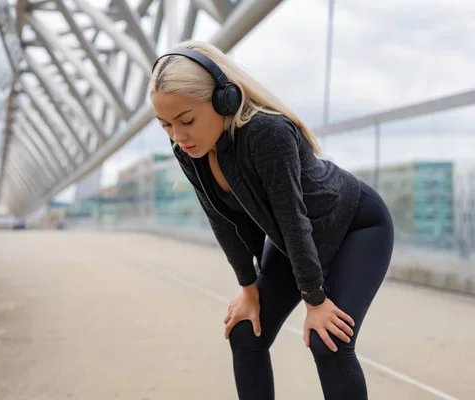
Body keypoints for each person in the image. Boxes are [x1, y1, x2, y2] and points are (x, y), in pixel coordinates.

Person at [149, 40, 395, 400]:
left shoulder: (267, 133)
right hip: (292, 239)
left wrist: (315, 299)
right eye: (165, 125)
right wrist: (248, 289)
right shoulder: (190, 151)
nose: (177, 135)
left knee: (329, 343)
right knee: (246, 333)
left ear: (224, 99)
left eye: (186, 120)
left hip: (357, 226)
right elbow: (223, 222)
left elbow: (293, 218)